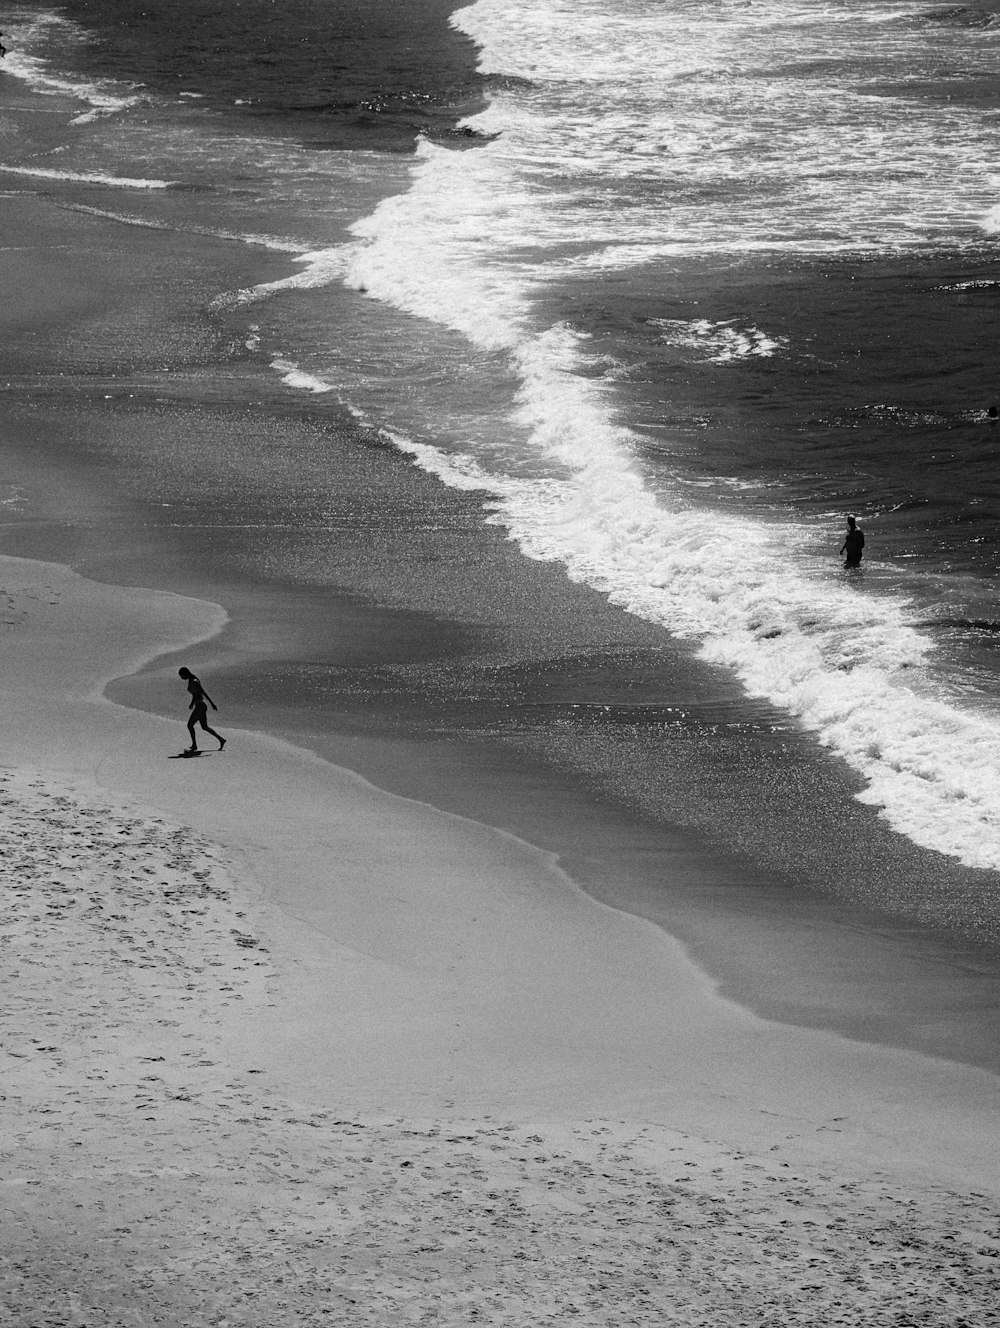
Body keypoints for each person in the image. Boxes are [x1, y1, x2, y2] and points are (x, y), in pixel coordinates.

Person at [178, 666, 226, 753]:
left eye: (181, 676)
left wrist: (212, 704)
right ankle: (221, 739)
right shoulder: (191, 680)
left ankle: (194, 745)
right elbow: (195, 695)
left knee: (190, 725)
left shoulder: (194, 681)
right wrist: (192, 703)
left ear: (185, 674)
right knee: (204, 727)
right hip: (200, 705)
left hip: (201, 705)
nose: (181, 678)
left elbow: (202, 692)